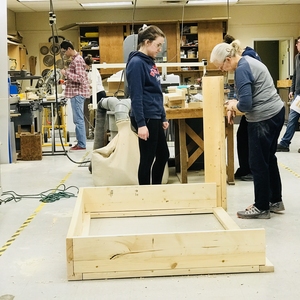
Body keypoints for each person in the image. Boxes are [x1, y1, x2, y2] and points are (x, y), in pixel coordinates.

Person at [210, 40, 285, 219]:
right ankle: (275, 200)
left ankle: (261, 207)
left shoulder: (242, 69)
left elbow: (246, 104)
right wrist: (233, 106)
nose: (221, 70)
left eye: (221, 66)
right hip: (275, 113)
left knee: (258, 163)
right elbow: (243, 94)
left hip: (263, 118)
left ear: (228, 59)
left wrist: (233, 106)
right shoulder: (247, 62)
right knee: (268, 158)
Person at [126, 25, 170, 185]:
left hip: (155, 116)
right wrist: (141, 124)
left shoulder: (149, 62)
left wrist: (163, 116)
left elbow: (156, 92)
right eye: (158, 45)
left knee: (163, 155)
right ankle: (144, 195)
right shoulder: (137, 63)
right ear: (146, 42)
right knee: (147, 159)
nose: (160, 49)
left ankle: (155, 191)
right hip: (146, 118)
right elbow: (136, 96)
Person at [223, 34, 262, 181]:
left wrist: (234, 105)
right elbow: (241, 88)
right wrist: (234, 101)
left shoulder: (246, 59)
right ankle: (245, 168)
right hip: (254, 106)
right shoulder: (244, 58)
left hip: (258, 109)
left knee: (249, 138)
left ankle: (249, 170)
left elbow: (246, 94)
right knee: (243, 136)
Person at [60, 40, 90, 151]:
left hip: (77, 94)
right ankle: (80, 142)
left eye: (64, 52)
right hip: (75, 93)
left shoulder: (77, 60)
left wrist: (66, 73)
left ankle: (81, 144)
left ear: (69, 49)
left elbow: (80, 78)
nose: (64, 54)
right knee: (77, 119)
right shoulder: (76, 59)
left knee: (78, 120)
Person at [277, 36, 300, 152]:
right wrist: (292, 89)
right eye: (298, 43)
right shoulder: (296, 58)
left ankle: (285, 142)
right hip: (298, 95)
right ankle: (285, 143)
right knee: (292, 119)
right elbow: (295, 75)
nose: (298, 45)